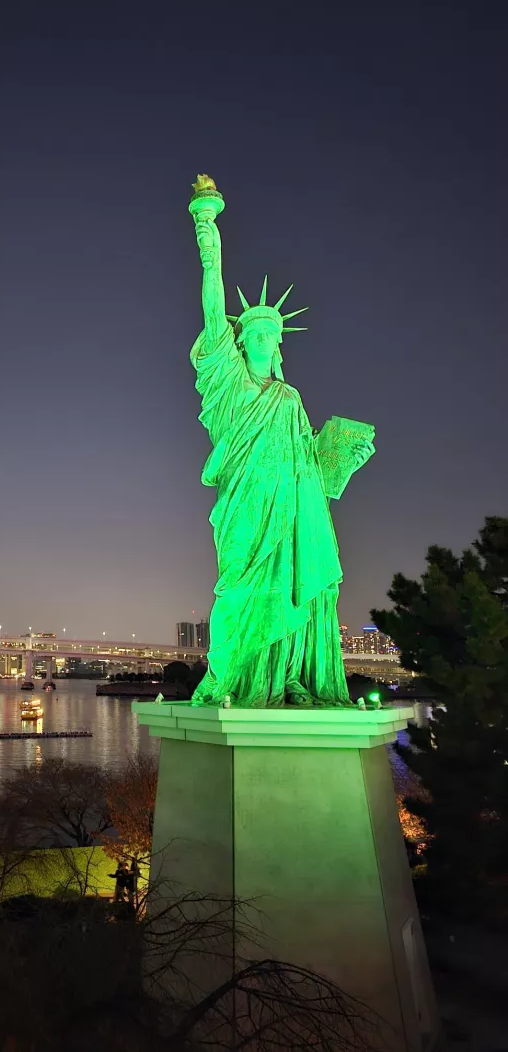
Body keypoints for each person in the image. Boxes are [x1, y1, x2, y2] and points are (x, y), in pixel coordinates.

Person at [189, 209, 374, 708]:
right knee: (237, 593)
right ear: (239, 343)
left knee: (294, 588)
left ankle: (285, 677)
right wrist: (210, 242)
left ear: (279, 347)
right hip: (245, 507)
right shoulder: (228, 385)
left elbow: (311, 467)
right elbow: (213, 307)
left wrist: (345, 456)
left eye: (273, 337)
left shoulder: (289, 400)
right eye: (255, 336)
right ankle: (230, 678)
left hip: (292, 510)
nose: (265, 343)